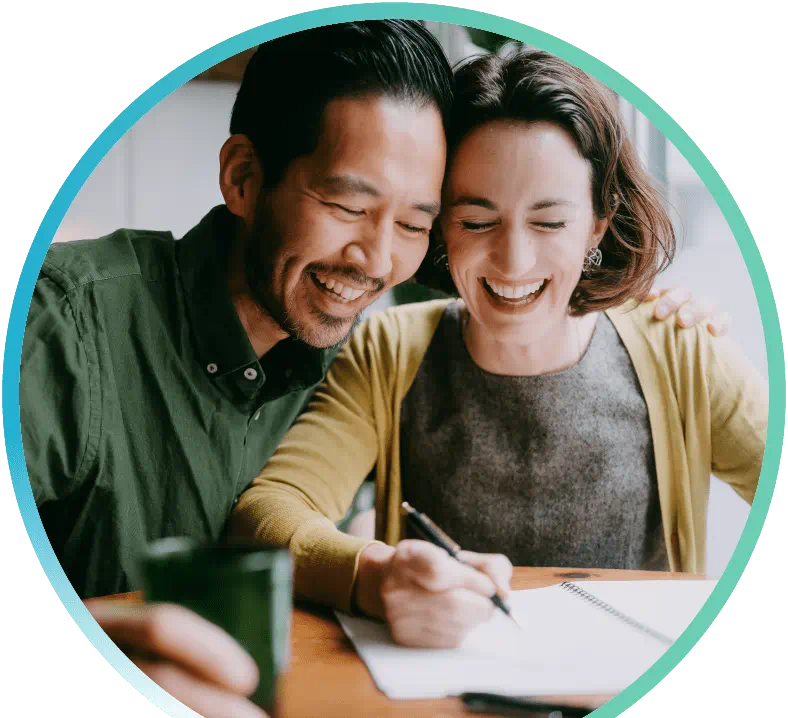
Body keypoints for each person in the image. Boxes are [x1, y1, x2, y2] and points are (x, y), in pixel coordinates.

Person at [21, 21, 723, 714]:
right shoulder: (60, 326)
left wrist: (633, 309)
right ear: (243, 178)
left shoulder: (346, 348)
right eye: (347, 205)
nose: (377, 261)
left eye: (415, 224)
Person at [229, 46, 767, 650]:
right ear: (440, 228)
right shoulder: (388, 350)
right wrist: (375, 576)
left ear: (597, 222)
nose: (514, 261)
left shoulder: (681, 349)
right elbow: (268, 513)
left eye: (550, 222)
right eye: (478, 221)